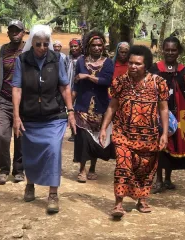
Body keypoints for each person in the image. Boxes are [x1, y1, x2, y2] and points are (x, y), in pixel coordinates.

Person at [11, 25, 75, 213]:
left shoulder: (57, 60)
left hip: (53, 115)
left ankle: (53, 194)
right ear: (32, 43)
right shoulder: (22, 61)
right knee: (30, 152)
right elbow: (17, 88)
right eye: (38, 44)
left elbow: (64, 86)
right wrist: (16, 116)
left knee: (53, 151)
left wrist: (70, 111)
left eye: (45, 44)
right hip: (29, 116)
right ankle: (30, 184)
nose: (42, 48)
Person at [99, 45, 169, 218]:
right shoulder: (120, 82)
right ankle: (118, 204)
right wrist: (103, 128)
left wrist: (165, 133)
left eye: (137, 64)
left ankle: (142, 199)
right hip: (123, 134)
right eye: (130, 63)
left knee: (145, 168)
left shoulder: (158, 83)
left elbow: (164, 110)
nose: (133, 67)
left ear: (146, 65)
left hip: (149, 136)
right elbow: (112, 106)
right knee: (122, 165)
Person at [150, 36, 185, 193]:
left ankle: (168, 179)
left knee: (173, 145)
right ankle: (158, 180)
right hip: (158, 112)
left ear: (179, 51)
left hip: (178, 113)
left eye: (173, 50)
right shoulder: (154, 68)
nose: (170, 52)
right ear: (163, 50)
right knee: (159, 145)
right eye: (167, 49)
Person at [72, 30, 115, 183]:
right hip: (82, 107)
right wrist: (70, 106)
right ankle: (82, 169)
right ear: (88, 47)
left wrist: (88, 76)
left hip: (100, 107)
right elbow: (76, 86)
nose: (97, 48)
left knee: (96, 138)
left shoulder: (108, 63)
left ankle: (92, 168)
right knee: (83, 138)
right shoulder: (81, 62)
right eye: (94, 45)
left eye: (100, 45)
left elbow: (106, 81)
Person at [0, 19, 26, 184]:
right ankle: (4, 169)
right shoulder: (1, 51)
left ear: (23, 32)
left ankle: (19, 170)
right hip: (3, 101)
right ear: (8, 33)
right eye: (11, 31)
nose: (14, 34)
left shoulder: (29, 50)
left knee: (21, 137)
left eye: (17, 31)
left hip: (24, 102)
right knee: (2, 136)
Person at [66, 39, 83, 142]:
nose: (73, 48)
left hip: (79, 88)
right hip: (69, 86)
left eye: (75, 46)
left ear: (80, 47)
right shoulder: (67, 59)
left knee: (79, 110)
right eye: (72, 46)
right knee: (70, 109)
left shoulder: (83, 59)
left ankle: (80, 132)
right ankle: (73, 132)